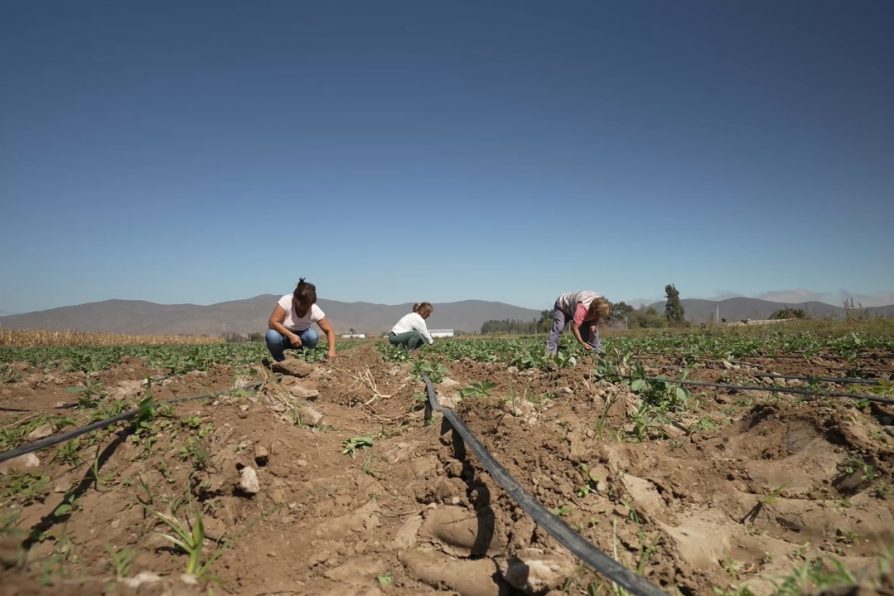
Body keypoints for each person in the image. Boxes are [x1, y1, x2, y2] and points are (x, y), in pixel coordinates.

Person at [265, 278, 337, 362]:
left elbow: (329, 330)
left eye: (309, 305)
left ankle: (303, 360)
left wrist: (332, 350)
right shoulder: (286, 301)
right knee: (272, 336)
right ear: (295, 298)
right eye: (303, 304)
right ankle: (280, 362)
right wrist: (291, 335)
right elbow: (272, 322)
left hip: (300, 340)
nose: (306, 307)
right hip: (282, 337)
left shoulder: (313, 309)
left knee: (312, 336)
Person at [546, 291, 611, 355]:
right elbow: (574, 327)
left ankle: (596, 352)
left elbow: (596, 318)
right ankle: (550, 352)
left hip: (575, 307)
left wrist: (593, 325)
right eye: (598, 315)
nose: (599, 317)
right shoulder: (582, 308)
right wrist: (582, 343)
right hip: (562, 306)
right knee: (559, 327)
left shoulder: (601, 303)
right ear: (593, 311)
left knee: (593, 330)